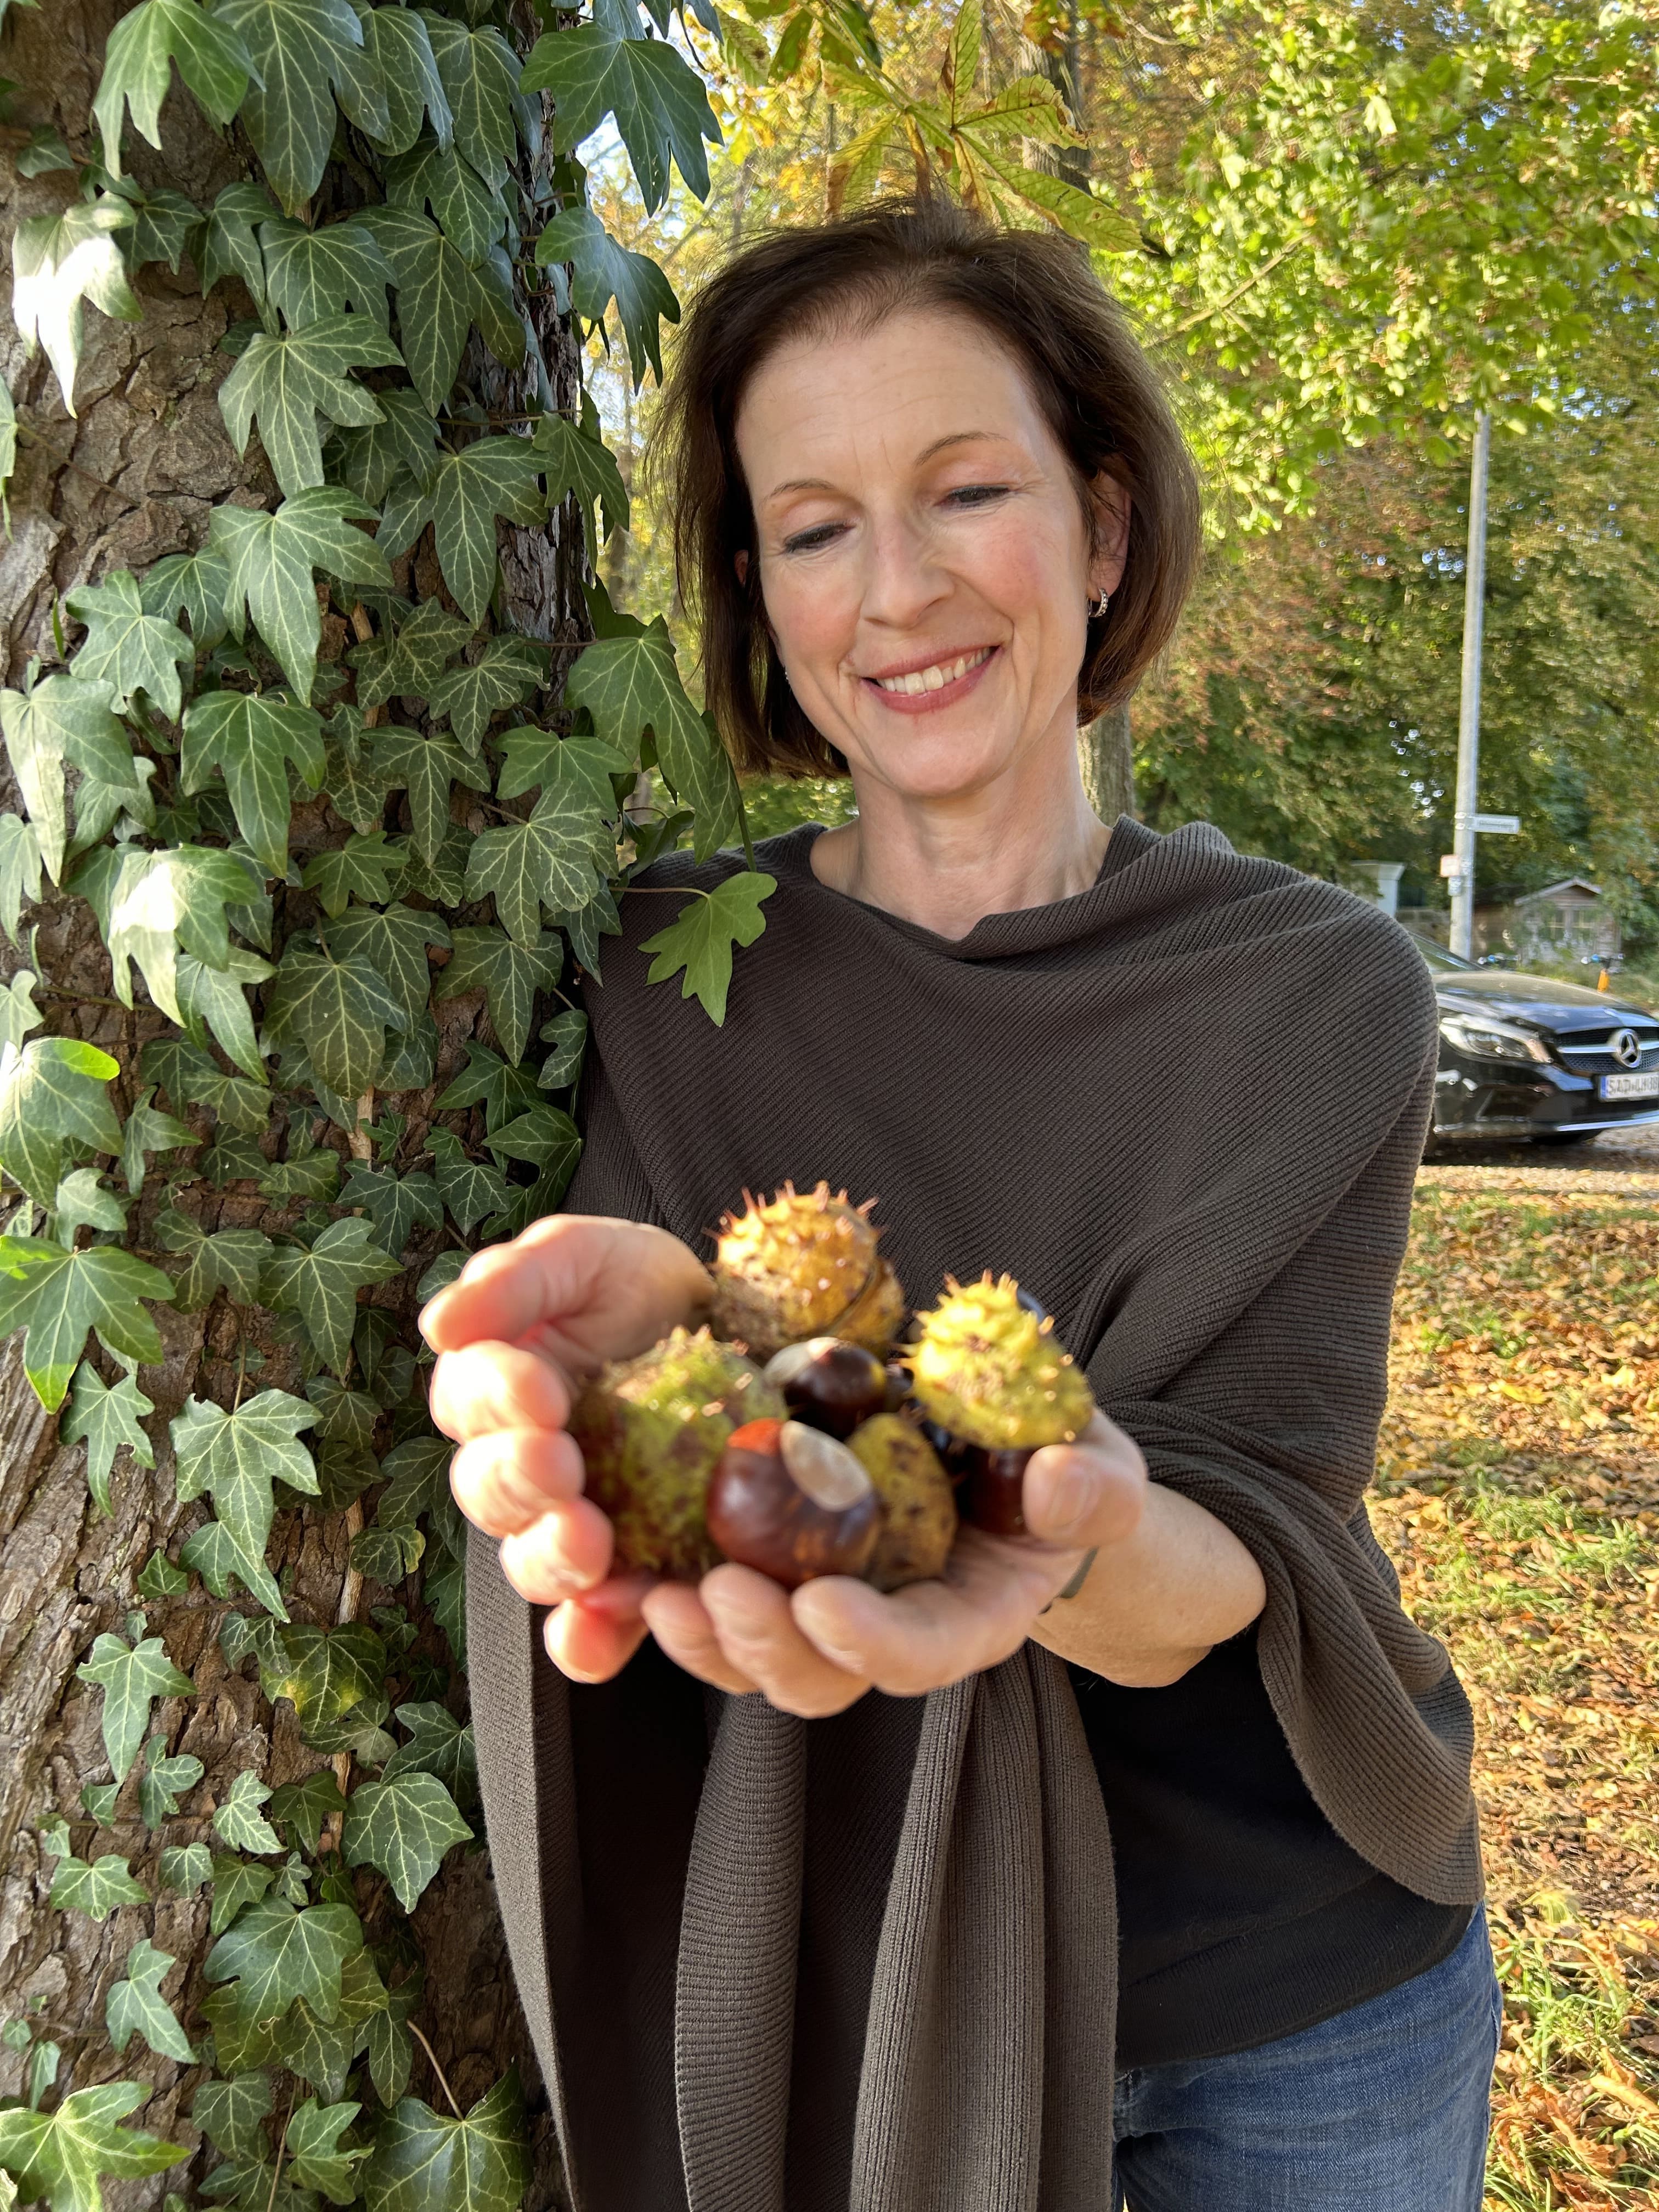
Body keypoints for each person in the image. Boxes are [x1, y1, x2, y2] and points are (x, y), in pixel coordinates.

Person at [422, 196, 1497, 2212]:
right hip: (863, 1993)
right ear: (762, 597)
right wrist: (658, 1354)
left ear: (1101, 530)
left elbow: (1251, 1523)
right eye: (816, 526)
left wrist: (1058, 1522)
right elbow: (698, 1421)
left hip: (1303, 2004)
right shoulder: (669, 968)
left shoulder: (1318, 992)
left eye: (966, 489)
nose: (896, 590)